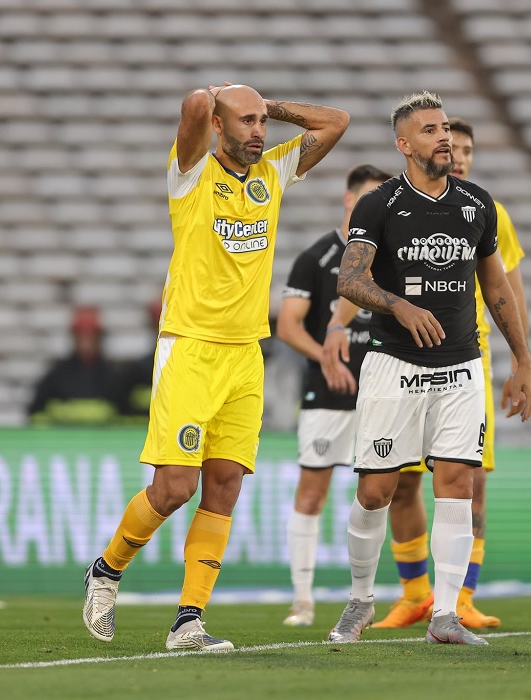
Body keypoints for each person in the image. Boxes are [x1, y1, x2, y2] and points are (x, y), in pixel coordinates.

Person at [81, 83, 349, 651]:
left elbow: (335, 121)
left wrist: (266, 106)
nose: (259, 132)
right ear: (219, 128)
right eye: (246, 123)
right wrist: (216, 100)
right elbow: (195, 110)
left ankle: (189, 620)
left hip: (246, 354)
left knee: (223, 487)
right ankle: (106, 570)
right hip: (191, 349)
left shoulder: (274, 173)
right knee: (174, 488)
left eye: (263, 124)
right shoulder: (191, 174)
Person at [325, 91, 531, 646]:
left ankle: (445, 615)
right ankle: (361, 598)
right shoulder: (379, 205)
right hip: (393, 364)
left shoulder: (477, 204)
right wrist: (398, 304)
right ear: (403, 144)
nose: (443, 137)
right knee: (377, 491)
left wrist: (523, 361)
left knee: (457, 483)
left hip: (461, 365)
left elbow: (497, 287)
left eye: (445, 128)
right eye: (429, 130)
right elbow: (348, 281)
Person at [276, 164, 391, 627]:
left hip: (381, 392)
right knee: (312, 491)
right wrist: (325, 356)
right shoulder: (317, 257)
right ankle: (302, 600)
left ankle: (376, 595)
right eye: (367, 199)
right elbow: (287, 326)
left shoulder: (391, 256)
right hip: (326, 395)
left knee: (387, 492)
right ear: (349, 201)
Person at [28, 305, 128, 425]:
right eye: (82, 337)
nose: (86, 344)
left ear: (99, 338)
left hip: (103, 442)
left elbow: (124, 416)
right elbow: (36, 414)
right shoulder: (57, 376)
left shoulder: (114, 377)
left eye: (91, 337)